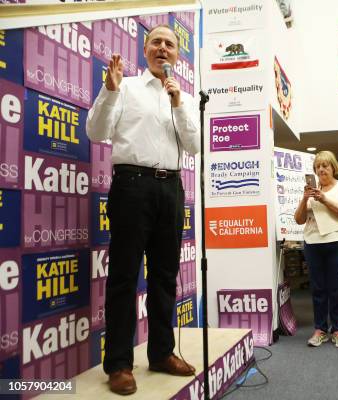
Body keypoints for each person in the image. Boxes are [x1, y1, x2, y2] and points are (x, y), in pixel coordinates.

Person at [86, 24, 199, 395]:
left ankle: (162, 353)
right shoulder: (126, 86)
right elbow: (95, 130)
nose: (163, 48)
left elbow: (194, 146)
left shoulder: (179, 94)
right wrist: (110, 90)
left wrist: (180, 103)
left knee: (165, 277)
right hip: (132, 186)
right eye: (156, 43)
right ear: (144, 49)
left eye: (169, 44)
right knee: (123, 276)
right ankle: (118, 363)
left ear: (177, 54)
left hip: (171, 188)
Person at [294, 151, 338, 349]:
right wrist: (305, 199)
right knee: (318, 288)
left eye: (325, 165)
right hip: (312, 243)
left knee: (336, 287)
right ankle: (320, 329)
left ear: (333, 167)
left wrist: (324, 199)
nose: (321, 169)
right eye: (318, 166)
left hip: (336, 241)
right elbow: (299, 219)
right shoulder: (311, 190)